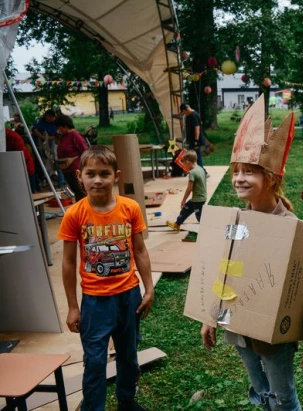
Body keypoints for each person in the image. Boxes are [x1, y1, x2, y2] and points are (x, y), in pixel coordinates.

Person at [201, 100, 303, 410]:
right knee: (260, 391)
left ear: (271, 178)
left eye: (249, 172)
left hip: (274, 338)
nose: (239, 179)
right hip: (238, 325)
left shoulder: (289, 227)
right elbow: (225, 269)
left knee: (283, 397)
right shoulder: (238, 221)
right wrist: (210, 316)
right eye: (237, 171)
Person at [57, 145, 154, 411]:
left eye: (104, 173)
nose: (97, 180)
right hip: (95, 303)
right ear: (80, 176)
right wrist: (73, 306)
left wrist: (149, 289)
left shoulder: (130, 208)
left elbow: (140, 250)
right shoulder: (74, 214)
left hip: (128, 297)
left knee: (128, 356)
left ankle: (126, 400)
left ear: (116, 175)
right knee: (96, 360)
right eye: (91, 174)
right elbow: (67, 262)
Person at [166, 150, 207, 232]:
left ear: (188, 162)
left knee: (200, 217)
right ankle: (177, 225)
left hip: (198, 200)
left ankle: (209, 230)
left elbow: (189, 188)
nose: (183, 166)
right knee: (186, 209)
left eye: (183, 163)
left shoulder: (193, 173)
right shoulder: (201, 169)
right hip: (199, 197)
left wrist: (183, 200)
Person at [55, 114, 89, 201]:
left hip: (75, 168)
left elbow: (85, 151)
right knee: (76, 192)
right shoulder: (63, 136)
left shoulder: (75, 135)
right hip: (66, 169)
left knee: (81, 192)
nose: (59, 129)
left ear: (65, 126)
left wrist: (74, 158)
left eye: (60, 127)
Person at [5, 127, 36, 193]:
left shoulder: (11, 136)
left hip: (24, 167)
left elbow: (20, 156)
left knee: (30, 193)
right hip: (15, 168)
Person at [180, 102, 209, 171]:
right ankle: (198, 170)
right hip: (191, 139)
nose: (184, 114)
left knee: (196, 157)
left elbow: (197, 128)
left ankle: (203, 172)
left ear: (185, 110)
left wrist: (196, 141)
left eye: (184, 112)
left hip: (195, 140)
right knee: (193, 157)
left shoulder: (194, 115)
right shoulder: (189, 115)